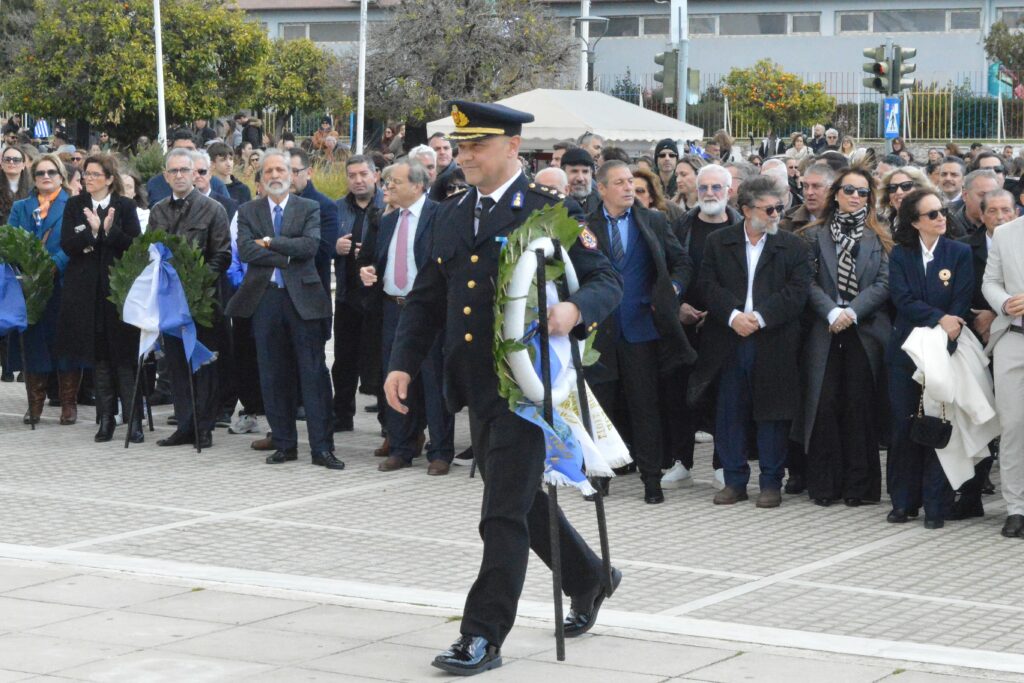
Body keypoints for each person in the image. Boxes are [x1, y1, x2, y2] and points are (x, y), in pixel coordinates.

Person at [384, 100, 622, 676]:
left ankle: (482, 634)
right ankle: (590, 577)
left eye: (478, 146)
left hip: (528, 387)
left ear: (512, 148)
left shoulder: (548, 210)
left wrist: (575, 309)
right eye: (462, 146)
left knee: (501, 514)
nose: (465, 156)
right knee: (515, 498)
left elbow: (605, 279)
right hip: (474, 384)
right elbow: (427, 297)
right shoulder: (448, 213)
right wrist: (402, 362)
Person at [689, 175, 812, 508]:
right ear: (746, 209)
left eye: (779, 208)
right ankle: (734, 480)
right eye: (768, 209)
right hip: (729, 339)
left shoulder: (794, 246)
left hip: (773, 339)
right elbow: (707, 284)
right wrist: (733, 316)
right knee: (730, 410)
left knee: (772, 413)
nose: (775, 215)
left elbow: (796, 292)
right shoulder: (719, 242)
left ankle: (771, 482)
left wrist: (758, 318)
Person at [584, 160, 694, 504]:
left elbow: (682, 262)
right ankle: (599, 477)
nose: (628, 187)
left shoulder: (653, 221)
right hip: (599, 331)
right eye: (619, 182)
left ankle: (651, 479)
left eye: (630, 181)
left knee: (645, 407)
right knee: (600, 409)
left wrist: (670, 291)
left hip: (641, 329)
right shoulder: (584, 225)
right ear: (602, 189)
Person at [225, 150, 341, 469]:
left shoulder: (309, 207)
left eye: (280, 170)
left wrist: (269, 243)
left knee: (312, 375)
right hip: (265, 300)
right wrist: (288, 252)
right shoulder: (248, 210)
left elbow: (310, 247)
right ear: (261, 178)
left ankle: (322, 448)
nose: (275, 175)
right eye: (269, 171)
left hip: (303, 301)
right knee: (272, 374)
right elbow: (246, 251)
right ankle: (284, 443)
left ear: (291, 175)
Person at [797, 168, 892, 507]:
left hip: (864, 330)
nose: (855, 197)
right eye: (849, 190)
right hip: (824, 329)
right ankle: (825, 485)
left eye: (863, 192)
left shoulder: (879, 236)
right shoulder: (813, 235)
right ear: (836, 193)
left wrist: (851, 312)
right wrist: (831, 312)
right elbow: (807, 281)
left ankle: (859, 487)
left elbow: (884, 283)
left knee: (858, 406)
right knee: (824, 405)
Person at [359, 159, 454, 475]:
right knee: (396, 377)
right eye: (387, 182)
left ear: (418, 185)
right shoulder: (387, 220)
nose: (388, 187)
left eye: (395, 182)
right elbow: (378, 259)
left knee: (433, 380)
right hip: (393, 308)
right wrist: (369, 271)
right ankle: (401, 446)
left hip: (428, 312)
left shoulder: (439, 216)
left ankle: (440, 451)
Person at [887, 188, 973, 528]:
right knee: (903, 425)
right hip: (906, 351)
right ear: (914, 222)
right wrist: (939, 318)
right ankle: (903, 501)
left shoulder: (959, 252)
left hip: (944, 350)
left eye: (942, 212)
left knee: (939, 423)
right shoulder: (901, 254)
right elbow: (902, 298)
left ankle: (936, 505)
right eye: (932, 214)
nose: (941, 218)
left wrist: (949, 324)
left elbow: (962, 298)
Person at [147, 148, 231, 449]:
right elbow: (151, 252)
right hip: (170, 301)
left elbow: (222, 254)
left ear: (195, 174)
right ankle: (185, 425)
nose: (180, 175)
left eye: (185, 170)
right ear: (166, 175)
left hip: (203, 301)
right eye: (174, 171)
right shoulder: (158, 211)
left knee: (203, 366)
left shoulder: (213, 209)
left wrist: (196, 284)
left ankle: (203, 427)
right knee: (176, 365)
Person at [56, 154, 144, 442]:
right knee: (100, 358)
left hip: (118, 293)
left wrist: (107, 231)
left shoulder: (124, 206)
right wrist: (92, 234)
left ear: (109, 178)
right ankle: (106, 419)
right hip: (87, 293)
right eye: (86, 174)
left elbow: (134, 245)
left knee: (124, 357)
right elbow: (68, 244)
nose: (88, 179)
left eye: (95, 174)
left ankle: (133, 420)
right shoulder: (75, 205)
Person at [666, 164, 740, 488]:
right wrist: (677, 307)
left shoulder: (740, 227)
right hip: (683, 323)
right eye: (704, 188)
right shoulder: (680, 226)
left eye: (716, 187)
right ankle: (681, 461)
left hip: (724, 325)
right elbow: (669, 270)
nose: (710, 194)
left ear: (729, 191)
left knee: (723, 395)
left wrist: (722, 312)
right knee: (679, 393)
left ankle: (722, 464)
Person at [7, 154, 82, 424]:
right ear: (34, 178)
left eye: (51, 172)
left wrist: (53, 265)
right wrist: (30, 265)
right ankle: (34, 404)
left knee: (66, 343)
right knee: (34, 344)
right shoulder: (21, 207)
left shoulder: (73, 204)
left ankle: (68, 403)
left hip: (63, 282)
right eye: (40, 173)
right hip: (31, 285)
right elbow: (11, 239)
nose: (46, 177)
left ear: (61, 176)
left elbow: (76, 241)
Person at [332, 155, 385, 432]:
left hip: (380, 299)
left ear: (376, 175)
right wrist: (335, 247)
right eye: (352, 175)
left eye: (364, 174)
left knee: (380, 360)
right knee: (344, 360)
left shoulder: (388, 206)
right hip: (347, 296)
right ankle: (342, 415)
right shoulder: (337, 208)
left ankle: (387, 423)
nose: (358, 180)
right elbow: (321, 243)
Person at [982, 195, 1024, 538]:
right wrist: (1004, 302)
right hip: (1013, 339)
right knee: (1012, 425)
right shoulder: (1005, 234)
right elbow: (990, 282)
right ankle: (1016, 508)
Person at [780, 163, 835, 233]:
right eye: (805, 186)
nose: (809, 192)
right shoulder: (787, 224)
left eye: (816, 186)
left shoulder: (844, 221)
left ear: (831, 190)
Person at [880, 166, 935, 232]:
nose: (898, 192)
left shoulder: (932, 220)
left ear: (920, 189)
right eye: (893, 187)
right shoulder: (882, 225)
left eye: (906, 186)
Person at [948, 169, 1000, 239]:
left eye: (993, 195)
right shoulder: (949, 228)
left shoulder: (1005, 225)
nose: (989, 200)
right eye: (983, 195)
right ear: (965, 195)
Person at [561, 147, 600, 215]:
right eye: (574, 171)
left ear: (591, 174)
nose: (580, 179)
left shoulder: (602, 204)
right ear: (563, 173)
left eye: (585, 171)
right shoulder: (552, 204)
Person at [1, 144, 31, 224]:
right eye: (7, 159)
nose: (11, 162)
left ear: (23, 165)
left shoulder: (33, 190)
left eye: (16, 160)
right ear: (2, 164)